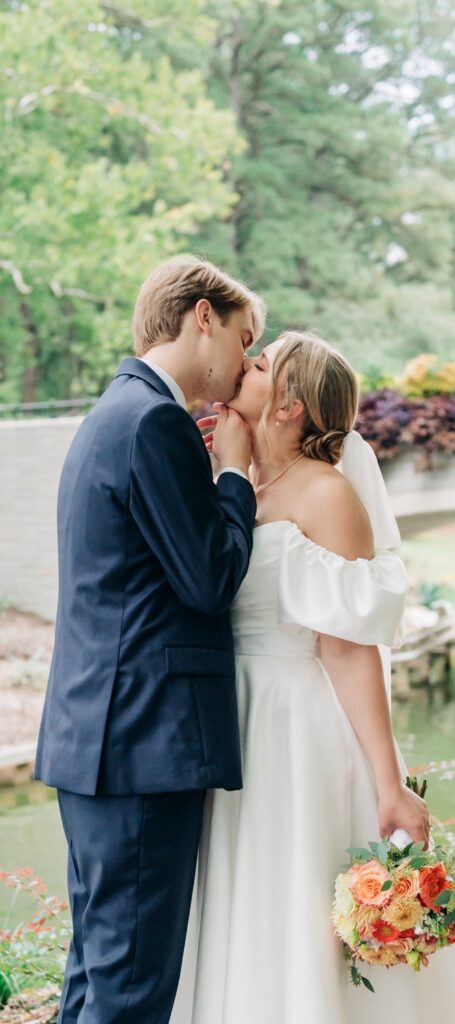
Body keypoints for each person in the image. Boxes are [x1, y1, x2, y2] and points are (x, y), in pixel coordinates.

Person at [171, 332, 455, 1023]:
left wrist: (389, 785)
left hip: (293, 727)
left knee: (294, 895)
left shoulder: (327, 495)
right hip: (228, 717)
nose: (244, 364)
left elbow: (349, 650)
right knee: (244, 898)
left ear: (289, 405)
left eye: (260, 364)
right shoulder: (233, 478)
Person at [34, 257, 265, 1023]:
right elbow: (207, 579)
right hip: (142, 746)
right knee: (129, 996)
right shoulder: (154, 421)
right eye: (243, 336)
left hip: (99, 741)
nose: (242, 360)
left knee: (95, 983)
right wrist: (232, 475)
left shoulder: (114, 412)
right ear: (203, 317)